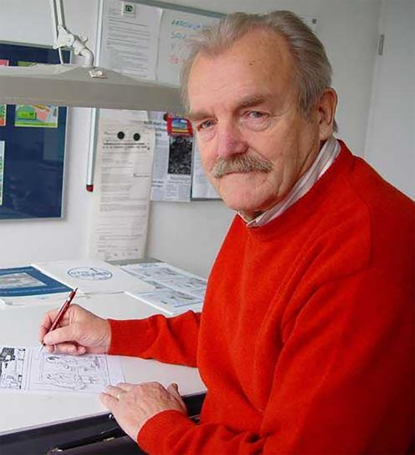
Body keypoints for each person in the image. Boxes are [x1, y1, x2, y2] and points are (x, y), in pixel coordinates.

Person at [39, 11, 415, 455]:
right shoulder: (271, 201)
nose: (225, 147)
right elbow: (235, 334)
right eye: (206, 123)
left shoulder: (362, 253)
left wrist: (162, 429)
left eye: (254, 113)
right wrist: (113, 334)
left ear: (321, 114)